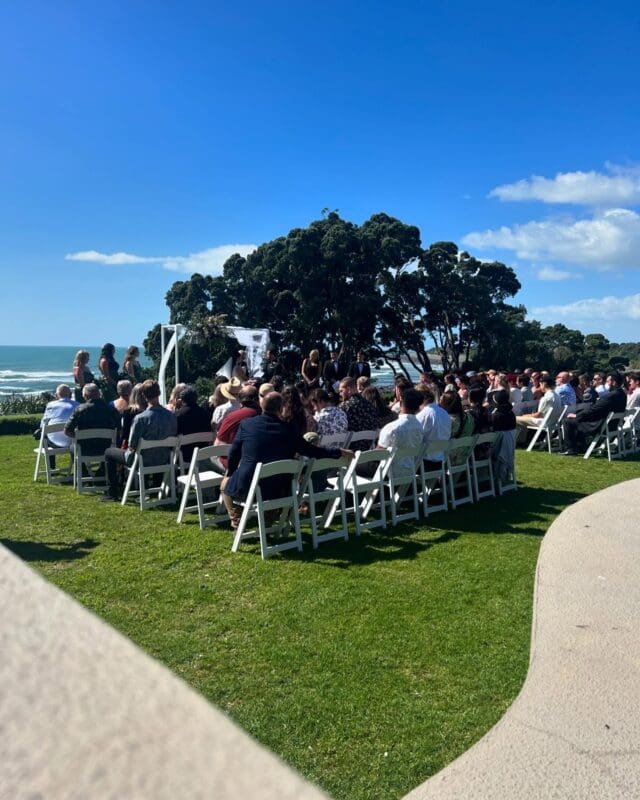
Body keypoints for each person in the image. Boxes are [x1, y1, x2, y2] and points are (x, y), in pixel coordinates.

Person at [220, 392, 352, 529]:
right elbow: (312, 451)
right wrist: (338, 451)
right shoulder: (289, 430)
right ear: (281, 408)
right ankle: (267, 519)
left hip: (247, 486)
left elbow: (234, 452)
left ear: (261, 405)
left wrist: (230, 473)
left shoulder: (247, 424)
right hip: (279, 490)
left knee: (225, 485)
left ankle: (237, 520)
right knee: (270, 485)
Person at [103, 380, 177, 501]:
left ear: (143, 396)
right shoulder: (171, 416)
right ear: (159, 393)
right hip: (164, 458)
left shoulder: (140, 419)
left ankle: (112, 493)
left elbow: (132, 445)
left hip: (142, 460)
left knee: (109, 452)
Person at [560, 372, 627, 455]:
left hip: (600, 425)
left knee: (568, 421)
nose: (606, 383)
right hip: (612, 425)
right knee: (580, 418)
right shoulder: (622, 394)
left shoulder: (610, 396)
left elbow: (593, 410)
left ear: (613, 382)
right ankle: (580, 446)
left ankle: (571, 448)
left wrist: (577, 415)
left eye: (607, 381)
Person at [377, 388, 424, 479]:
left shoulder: (391, 427)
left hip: (389, 472)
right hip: (410, 470)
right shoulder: (419, 427)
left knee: (356, 465)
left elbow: (378, 454)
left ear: (401, 403)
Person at [64, 383, 121, 456]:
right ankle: (104, 463)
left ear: (85, 396)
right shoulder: (110, 408)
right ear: (99, 394)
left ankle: (81, 464)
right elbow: (119, 429)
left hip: (84, 449)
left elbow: (67, 431)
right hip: (107, 448)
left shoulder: (80, 410)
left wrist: (78, 436)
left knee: (72, 447)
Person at [37, 384, 79, 468]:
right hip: (73, 441)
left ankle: (51, 468)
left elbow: (43, 424)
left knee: (44, 436)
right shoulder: (77, 405)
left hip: (55, 442)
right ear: (70, 395)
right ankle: (78, 466)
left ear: (56, 395)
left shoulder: (51, 405)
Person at [515, 376, 562, 443]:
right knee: (522, 419)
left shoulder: (546, 398)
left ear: (543, 384)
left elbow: (539, 415)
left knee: (515, 419)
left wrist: (526, 415)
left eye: (540, 385)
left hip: (543, 422)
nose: (540, 387)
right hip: (553, 422)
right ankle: (522, 440)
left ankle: (519, 441)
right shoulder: (557, 396)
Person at [175, 385, 213, 464]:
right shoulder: (206, 414)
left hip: (184, 456)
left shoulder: (177, 415)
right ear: (196, 398)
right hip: (203, 454)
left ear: (182, 400)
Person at [416, 386, 451, 468]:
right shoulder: (445, 413)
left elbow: (415, 439)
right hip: (441, 460)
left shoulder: (422, 416)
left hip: (424, 462)